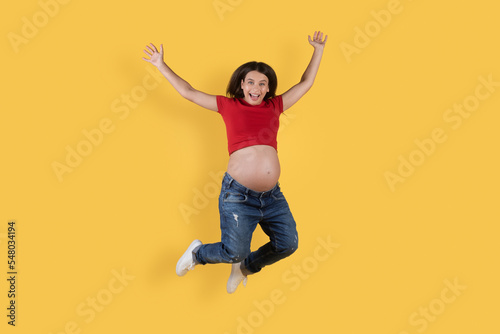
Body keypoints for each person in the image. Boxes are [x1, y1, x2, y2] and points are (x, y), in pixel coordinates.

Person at [142, 31, 327, 293]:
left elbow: (305, 83)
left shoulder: (274, 106)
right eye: (250, 82)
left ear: (268, 88)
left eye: (262, 84)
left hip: (272, 196)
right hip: (238, 195)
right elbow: (189, 92)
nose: (256, 88)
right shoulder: (229, 106)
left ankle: (246, 268)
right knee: (232, 251)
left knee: (288, 244)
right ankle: (198, 254)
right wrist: (161, 65)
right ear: (241, 85)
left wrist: (318, 49)